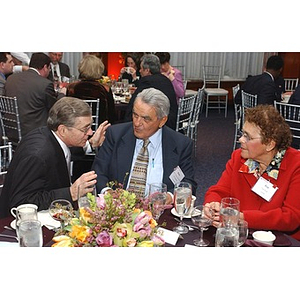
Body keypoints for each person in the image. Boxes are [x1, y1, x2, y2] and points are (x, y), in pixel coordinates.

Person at [0, 97, 110, 218]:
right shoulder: (37, 155)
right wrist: (70, 193)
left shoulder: (52, 136)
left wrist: (91, 144)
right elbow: (21, 202)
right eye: (85, 129)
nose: (90, 133)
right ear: (62, 130)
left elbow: (63, 153)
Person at [204, 105, 300, 240]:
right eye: (243, 134)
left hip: (280, 240)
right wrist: (212, 204)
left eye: (248, 137)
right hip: (239, 235)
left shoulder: (296, 165)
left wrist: (242, 217)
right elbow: (219, 190)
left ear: (270, 144)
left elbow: (290, 217)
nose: (241, 140)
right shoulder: (239, 158)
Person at [92, 87, 196, 203]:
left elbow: (188, 183)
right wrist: (108, 193)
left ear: (162, 120)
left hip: (159, 213)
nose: (137, 123)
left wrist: (169, 197)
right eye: (135, 115)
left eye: (145, 119)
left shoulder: (180, 144)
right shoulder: (115, 135)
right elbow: (98, 172)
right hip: (118, 211)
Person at [4, 52, 66, 137]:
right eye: (49, 69)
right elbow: (55, 108)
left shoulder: (11, 79)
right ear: (45, 67)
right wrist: (62, 94)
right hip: (35, 133)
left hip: (10, 131)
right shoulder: (44, 84)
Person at [124, 54, 178, 130]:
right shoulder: (166, 80)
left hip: (159, 125)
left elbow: (133, 105)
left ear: (147, 70)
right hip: (170, 122)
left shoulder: (146, 81)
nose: (139, 71)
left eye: (141, 68)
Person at [67, 54, 116, 124]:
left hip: (76, 127)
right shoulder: (105, 89)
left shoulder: (72, 88)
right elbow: (111, 115)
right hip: (100, 128)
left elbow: (68, 112)